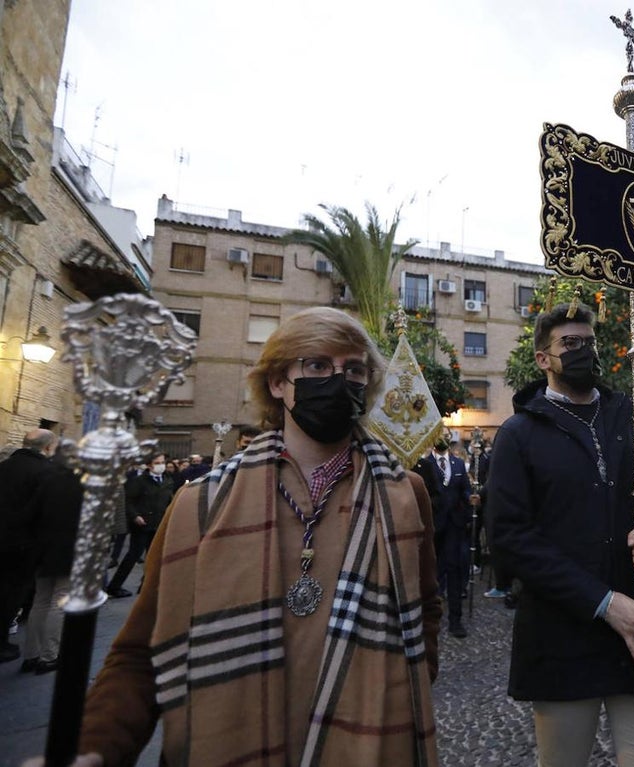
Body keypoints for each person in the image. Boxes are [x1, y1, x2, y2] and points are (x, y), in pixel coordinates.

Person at [66, 307, 441, 766]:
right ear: (278, 383)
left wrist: (406, 687)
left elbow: (424, 610)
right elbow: (141, 653)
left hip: (367, 744)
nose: (339, 379)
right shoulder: (200, 505)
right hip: (228, 741)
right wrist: (95, 749)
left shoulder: (407, 495)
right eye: (318, 365)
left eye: (355, 369)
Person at [487, 302, 634, 767]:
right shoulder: (518, 434)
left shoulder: (628, 420)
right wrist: (605, 602)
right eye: (568, 344)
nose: (582, 352)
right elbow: (511, 538)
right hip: (563, 636)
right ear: (542, 359)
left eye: (589, 343)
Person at [19, 450, 83, 674]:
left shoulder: (46, 482)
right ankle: (49, 656)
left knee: (40, 601)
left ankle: (31, 655)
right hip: (70, 550)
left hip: (43, 550)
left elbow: (28, 515)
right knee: (59, 602)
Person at [0, 429, 60, 663]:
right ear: (47, 448)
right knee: (12, 594)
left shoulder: (4, 466)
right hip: (25, 545)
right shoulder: (46, 472)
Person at [104, 454, 174, 598]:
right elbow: (128, 501)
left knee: (153, 557)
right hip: (141, 524)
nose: (161, 465)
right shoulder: (139, 481)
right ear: (149, 465)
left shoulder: (167, 480)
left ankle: (146, 586)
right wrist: (135, 516)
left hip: (158, 523)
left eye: (162, 462)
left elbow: (168, 500)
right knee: (133, 555)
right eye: (157, 462)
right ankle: (115, 586)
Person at [429, 435, 473, 638]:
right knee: (432, 573)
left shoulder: (457, 464)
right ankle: (429, 617)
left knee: (454, 571)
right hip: (432, 527)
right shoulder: (424, 464)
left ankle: (455, 620)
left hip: (454, 527)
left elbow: (465, 490)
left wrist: (471, 500)